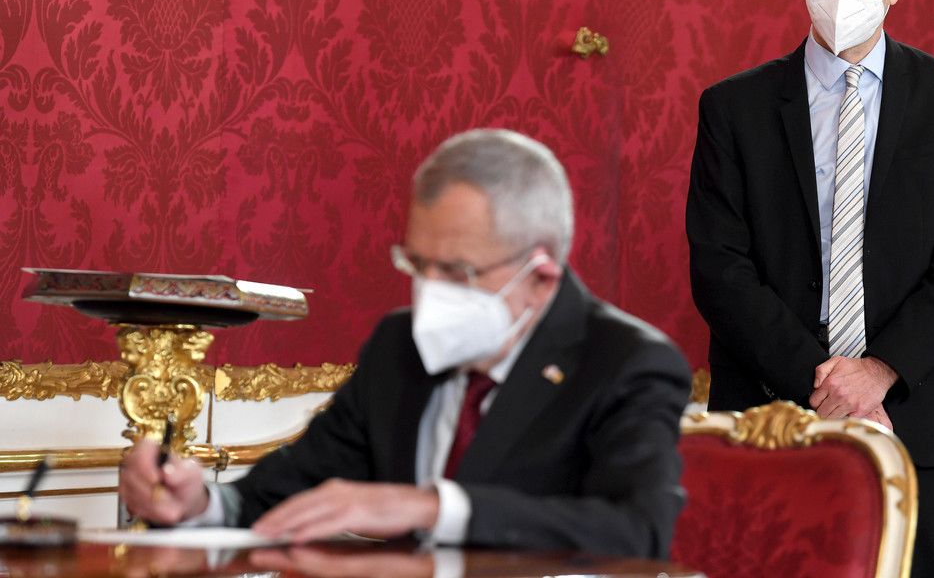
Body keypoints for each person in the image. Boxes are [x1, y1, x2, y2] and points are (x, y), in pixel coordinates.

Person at [120, 128, 691, 558]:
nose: (429, 291)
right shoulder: (400, 347)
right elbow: (284, 492)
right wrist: (198, 503)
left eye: (458, 271)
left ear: (540, 276)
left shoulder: (627, 363)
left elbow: (636, 532)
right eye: (418, 264)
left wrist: (432, 506)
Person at [686, 0, 934, 578]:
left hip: (909, 417)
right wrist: (823, 382)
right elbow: (720, 267)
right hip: (765, 417)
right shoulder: (733, 108)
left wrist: (878, 372)